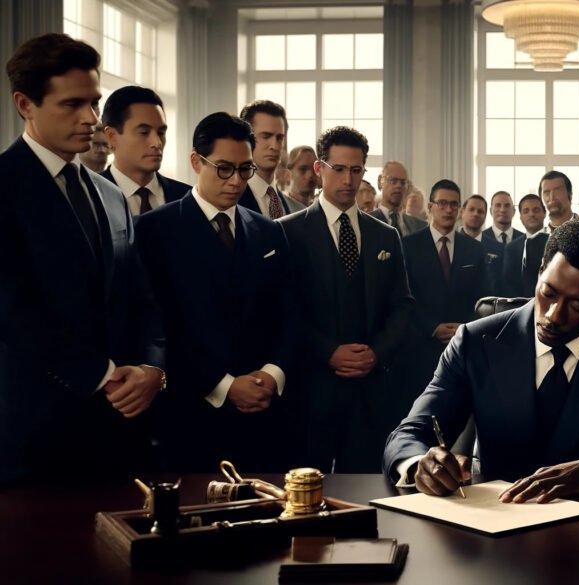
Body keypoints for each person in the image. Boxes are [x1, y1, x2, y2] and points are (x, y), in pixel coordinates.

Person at [383, 220, 579, 501]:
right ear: (539, 272)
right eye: (548, 293)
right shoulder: (474, 341)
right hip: (493, 522)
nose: (553, 316)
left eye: (577, 306)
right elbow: (409, 434)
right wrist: (420, 464)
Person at [1, 33, 165, 482]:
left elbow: (143, 298)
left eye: (94, 103)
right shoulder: (5, 186)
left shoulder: (110, 195)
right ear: (25, 104)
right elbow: (13, 312)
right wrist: (105, 376)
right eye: (72, 104)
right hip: (36, 435)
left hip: (123, 430)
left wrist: (153, 368)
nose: (91, 118)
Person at [134, 112, 296, 472]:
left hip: (266, 414)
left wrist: (273, 374)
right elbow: (159, 326)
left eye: (245, 169)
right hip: (191, 417)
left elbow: (290, 313)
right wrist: (224, 385)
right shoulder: (154, 230)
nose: (236, 181)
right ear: (196, 161)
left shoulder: (269, 231)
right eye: (224, 169)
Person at [279, 126, 414, 473]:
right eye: (338, 169)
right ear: (319, 169)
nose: (348, 179)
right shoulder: (287, 231)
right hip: (311, 389)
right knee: (307, 489)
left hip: (371, 390)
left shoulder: (385, 235)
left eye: (356, 170)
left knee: (367, 488)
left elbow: (402, 306)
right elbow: (284, 310)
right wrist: (328, 352)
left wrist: (376, 353)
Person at [402, 180, 488, 405]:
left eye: (454, 204)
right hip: (420, 347)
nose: (448, 210)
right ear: (430, 207)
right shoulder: (408, 245)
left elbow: (482, 298)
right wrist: (432, 327)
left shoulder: (474, 249)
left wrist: (464, 327)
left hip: (461, 346)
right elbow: (404, 297)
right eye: (442, 203)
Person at [99, 85, 188, 215]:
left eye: (161, 133)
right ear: (112, 136)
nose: (157, 143)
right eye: (144, 132)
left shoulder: (187, 199)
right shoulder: (89, 196)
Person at [238, 100, 292, 218]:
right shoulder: (233, 198)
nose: (275, 146)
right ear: (246, 139)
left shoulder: (288, 204)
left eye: (279, 138)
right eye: (266, 136)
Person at [501, 194, 549, 297]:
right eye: (526, 211)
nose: (531, 214)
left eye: (536, 210)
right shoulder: (511, 248)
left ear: (544, 213)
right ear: (521, 217)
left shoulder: (554, 241)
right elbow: (508, 284)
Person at [371, 161, 427, 235]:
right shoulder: (366, 221)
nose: (398, 186)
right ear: (381, 182)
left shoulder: (421, 227)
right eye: (393, 181)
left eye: (403, 182)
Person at [285, 145, 319, 209]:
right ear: (288, 174)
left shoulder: (320, 208)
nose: (310, 175)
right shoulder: (281, 207)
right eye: (303, 169)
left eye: (314, 169)